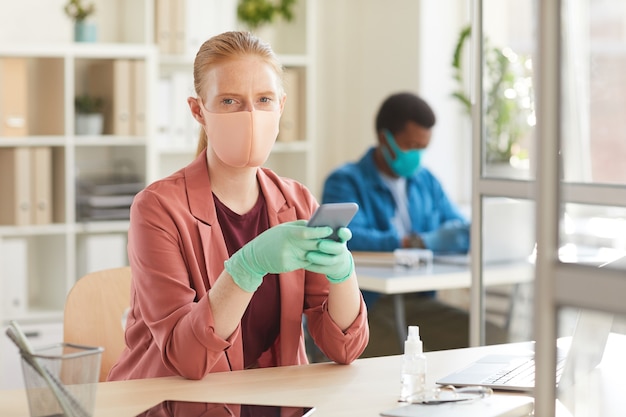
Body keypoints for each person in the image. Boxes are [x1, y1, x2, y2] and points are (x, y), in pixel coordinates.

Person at [108, 31, 368, 381]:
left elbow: (344, 349)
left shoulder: (298, 202)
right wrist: (246, 269)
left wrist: (343, 274)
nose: (250, 115)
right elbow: (188, 359)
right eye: (230, 101)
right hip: (179, 403)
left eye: (263, 99)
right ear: (198, 110)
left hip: (277, 402)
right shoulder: (157, 209)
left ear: (281, 106)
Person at [322, 92, 470, 309]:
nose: (417, 155)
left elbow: (460, 228)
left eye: (423, 148)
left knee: (488, 338)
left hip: (421, 301)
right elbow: (346, 238)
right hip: (367, 307)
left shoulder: (426, 180)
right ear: (385, 139)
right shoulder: (344, 182)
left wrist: (444, 238)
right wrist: (414, 243)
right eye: (411, 146)